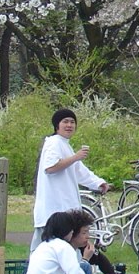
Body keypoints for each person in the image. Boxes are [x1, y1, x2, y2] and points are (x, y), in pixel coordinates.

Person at [31, 108, 109, 252]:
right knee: (43, 251)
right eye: (65, 122)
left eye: (72, 122)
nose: (69, 125)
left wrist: (98, 183)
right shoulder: (53, 142)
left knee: (69, 251)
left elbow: (79, 171)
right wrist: (76, 157)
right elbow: (50, 167)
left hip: (65, 210)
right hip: (52, 211)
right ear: (57, 126)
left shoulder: (65, 145)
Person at [67, 208, 121, 274]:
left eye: (88, 231)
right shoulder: (64, 249)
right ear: (72, 233)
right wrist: (85, 259)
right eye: (84, 233)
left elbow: (100, 259)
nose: (88, 236)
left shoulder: (82, 247)